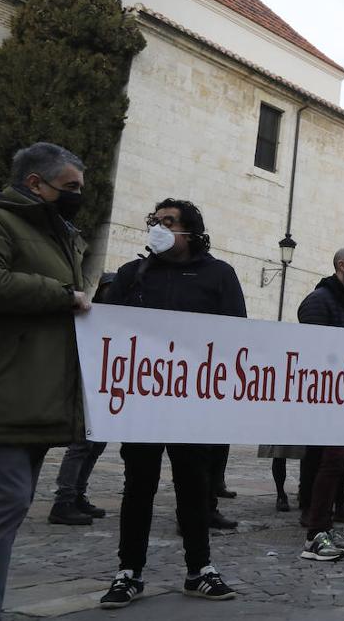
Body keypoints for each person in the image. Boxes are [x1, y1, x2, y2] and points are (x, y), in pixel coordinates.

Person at [100, 198, 243, 607]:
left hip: (193, 404)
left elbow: (235, 335)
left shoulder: (219, 275)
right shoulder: (133, 274)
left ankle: (200, 569)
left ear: (190, 231)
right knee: (137, 488)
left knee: (194, 488)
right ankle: (129, 571)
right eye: (156, 221)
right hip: (143, 404)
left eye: (169, 222)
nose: (159, 228)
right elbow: (109, 331)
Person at [0, 143, 90, 612]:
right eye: (70, 187)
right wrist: (63, 294)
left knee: (11, 508)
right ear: (35, 182)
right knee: (6, 504)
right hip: (8, 391)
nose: (77, 196)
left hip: (36, 397)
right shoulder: (3, 221)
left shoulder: (60, 233)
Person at [295, 246, 344, 561]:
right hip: (324, 396)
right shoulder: (319, 300)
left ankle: (323, 526)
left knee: (338, 463)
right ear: (342, 265)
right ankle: (315, 532)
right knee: (326, 462)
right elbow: (315, 349)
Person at [47, 271, 115, 526]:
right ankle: (64, 500)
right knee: (82, 444)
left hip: (104, 388)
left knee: (96, 444)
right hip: (86, 387)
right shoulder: (88, 316)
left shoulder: (116, 319)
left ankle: (77, 494)